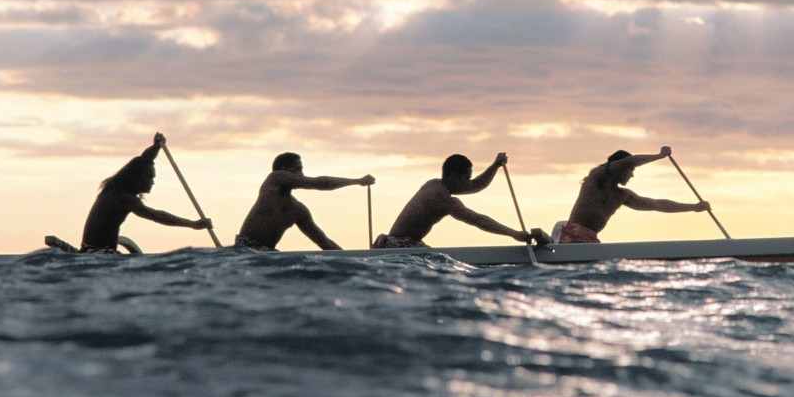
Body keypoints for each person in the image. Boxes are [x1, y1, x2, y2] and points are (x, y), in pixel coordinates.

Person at [79, 133, 213, 253]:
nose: (152, 182)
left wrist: (156, 147)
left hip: (90, 251)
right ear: (136, 177)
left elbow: (144, 159)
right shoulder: (124, 198)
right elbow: (156, 215)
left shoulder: (113, 190)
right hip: (96, 254)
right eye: (149, 177)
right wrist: (192, 224)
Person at [552, 146, 709, 244]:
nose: (632, 175)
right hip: (572, 235)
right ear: (619, 168)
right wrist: (659, 156)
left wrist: (694, 207)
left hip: (590, 240)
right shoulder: (596, 177)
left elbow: (658, 205)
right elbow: (628, 162)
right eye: (631, 171)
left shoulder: (622, 195)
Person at [373, 152, 531, 248]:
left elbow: (476, 185)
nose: (469, 182)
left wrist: (495, 166)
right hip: (398, 245)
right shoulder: (442, 199)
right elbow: (478, 220)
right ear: (455, 176)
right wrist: (514, 234)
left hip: (393, 243)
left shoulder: (434, 184)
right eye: (466, 178)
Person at [234, 153, 375, 251]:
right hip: (244, 249)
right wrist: (357, 181)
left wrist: (355, 260)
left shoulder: (298, 210)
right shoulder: (275, 178)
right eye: (298, 169)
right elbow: (316, 183)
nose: (302, 174)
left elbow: (325, 243)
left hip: (266, 253)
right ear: (284, 171)